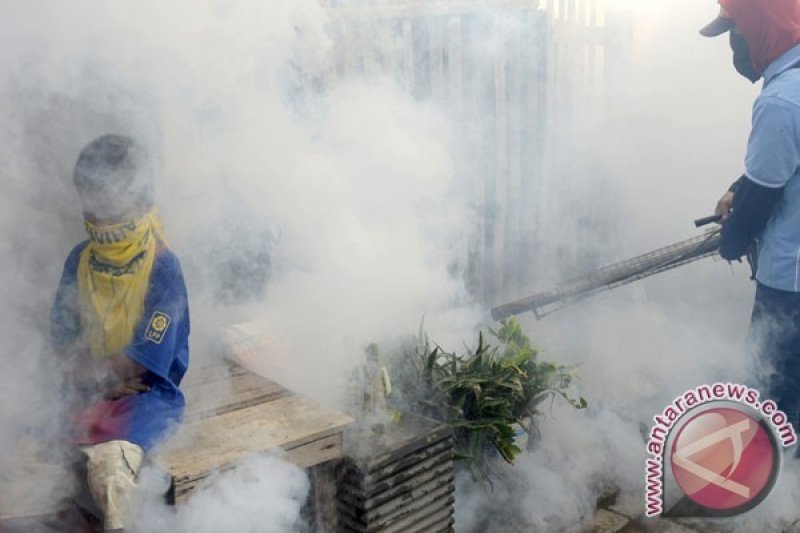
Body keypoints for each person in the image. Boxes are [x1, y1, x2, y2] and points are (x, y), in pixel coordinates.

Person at [50, 134, 190, 531]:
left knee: (112, 471)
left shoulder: (163, 266)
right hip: (88, 391)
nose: (100, 212)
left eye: (112, 200)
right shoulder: (79, 260)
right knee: (42, 462)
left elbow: (146, 362)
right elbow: (60, 343)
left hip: (145, 398)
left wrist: (96, 370)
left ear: (142, 199)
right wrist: (99, 374)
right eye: (91, 198)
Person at [703, 1, 800, 429]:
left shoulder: (780, 101)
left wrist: (733, 240)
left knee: (773, 397)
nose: (733, 46)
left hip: (791, 285)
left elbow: (763, 196)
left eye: (734, 32)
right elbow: (781, 166)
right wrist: (738, 188)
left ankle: (773, 490)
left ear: (759, 29)